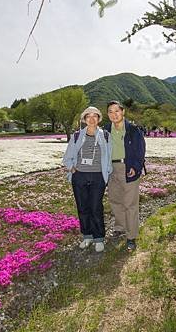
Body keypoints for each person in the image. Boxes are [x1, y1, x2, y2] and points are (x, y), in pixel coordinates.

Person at [63, 107, 113, 253]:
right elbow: (67, 158)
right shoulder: (77, 136)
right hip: (80, 176)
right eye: (88, 116)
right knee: (82, 207)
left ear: (99, 119)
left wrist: (107, 174)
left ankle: (99, 238)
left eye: (95, 116)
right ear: (84, 119)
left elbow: (109, 158)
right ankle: (87, 236)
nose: (91, 119)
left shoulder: (106, 136)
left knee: (96, 207)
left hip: (98, 176)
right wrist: (72, 169)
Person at [105, 100, 146, 252]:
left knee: (130, 203)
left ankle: (131, 236)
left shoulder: (133, 130)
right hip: (111, 169)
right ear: (107, 114)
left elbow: (140, 151)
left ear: (123, 112)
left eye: (117, 111)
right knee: (115, 200)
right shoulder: (106, 130)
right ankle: (120, 227)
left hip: (128, 168)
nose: (114, 114)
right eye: (110, 111)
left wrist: (135, 167)